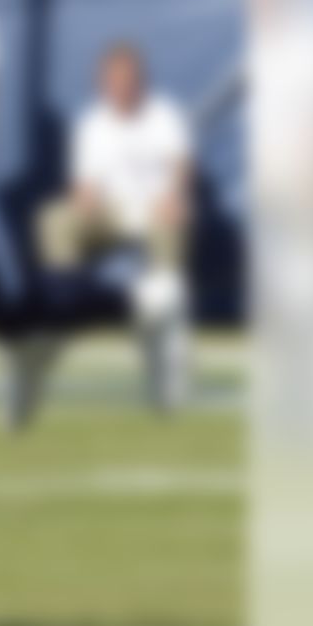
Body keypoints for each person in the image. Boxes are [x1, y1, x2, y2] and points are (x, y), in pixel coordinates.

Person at [37, 43, 195, 411]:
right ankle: (64, 310)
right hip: (111, 212)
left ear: (142, 81)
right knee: (54, 218)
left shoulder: (165, 116)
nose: (121, 88)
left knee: (171, 226)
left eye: (128, 80)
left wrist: (174, 196)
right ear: (102, 84)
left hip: (156, 210)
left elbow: (180, 166)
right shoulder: (91, 123)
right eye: (112, 81)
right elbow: (84, 185)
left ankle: (170, 341)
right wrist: (84, 199)